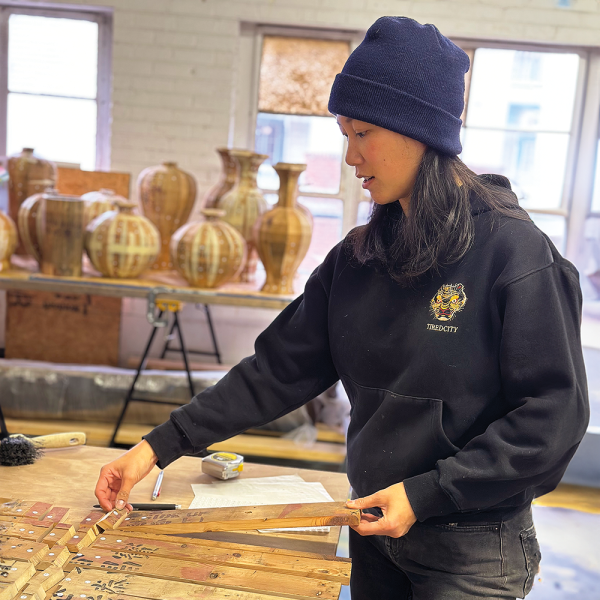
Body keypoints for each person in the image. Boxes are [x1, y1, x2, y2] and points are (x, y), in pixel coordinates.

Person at [95, 16, 589, 600]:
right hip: (372, 528)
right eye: (344, 133)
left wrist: (430, 492)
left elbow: (553, 415)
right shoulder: (359, 259)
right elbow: (276, 372)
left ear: (419, 132)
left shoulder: (516, 255)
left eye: (363, 134)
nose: (350, 156)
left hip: (473, 544)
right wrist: (156, 448)